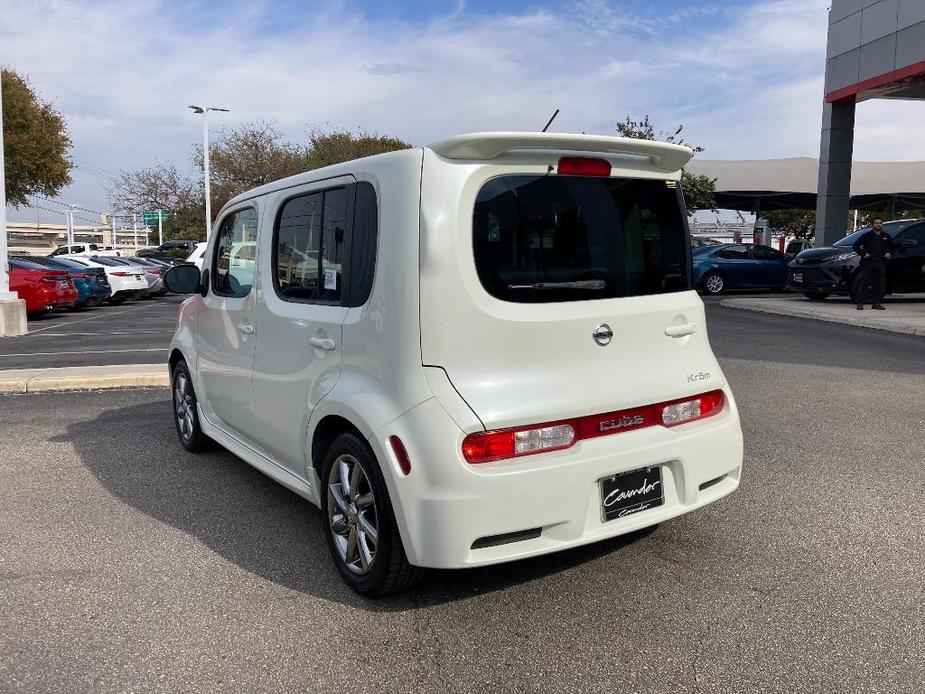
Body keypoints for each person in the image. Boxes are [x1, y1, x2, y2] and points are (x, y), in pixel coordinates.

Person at [852, 218, 893, 310]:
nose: (878, 225)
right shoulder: (867, 236)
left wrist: (889, 253)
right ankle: (860, 303)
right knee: (864, 282)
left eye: (880, 223)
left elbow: (892, 247)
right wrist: (863, 253)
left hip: (880, 262)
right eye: (876, 223)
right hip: (868, 262)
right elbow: (855, 246)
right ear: (872, 225)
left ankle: (876, 303)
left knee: (879, 283)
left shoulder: (886, 236)